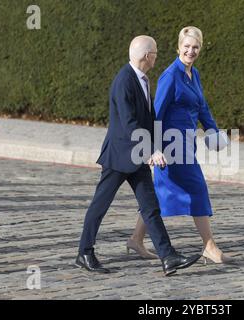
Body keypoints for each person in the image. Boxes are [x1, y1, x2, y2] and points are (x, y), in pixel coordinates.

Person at [76, 35, 201, 275]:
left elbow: (147, 119)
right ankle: (84, 252)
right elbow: (129, 123)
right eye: (154, 52)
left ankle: (168, 257)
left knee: (151, 207)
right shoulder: (125, 80)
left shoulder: (141, 79)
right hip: (119, 157)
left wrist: (157, 147)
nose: (156, 56)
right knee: (99, 206)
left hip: (137, 157)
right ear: (147, 56)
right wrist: (150, 151)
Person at [128, 27, 234, 264]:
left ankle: (136, 239)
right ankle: (209, 245)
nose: (190, 50)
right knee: (197, 188)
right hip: (169, 146)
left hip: (186, 143)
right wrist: (153, 148)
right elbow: (156, 114)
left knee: (158, 194)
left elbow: (202, 107)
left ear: (200, 48)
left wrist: (214, 132)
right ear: (178, 47)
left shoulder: (193, 74)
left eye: (195, 47)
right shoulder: (170, 75)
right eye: (186, 46)